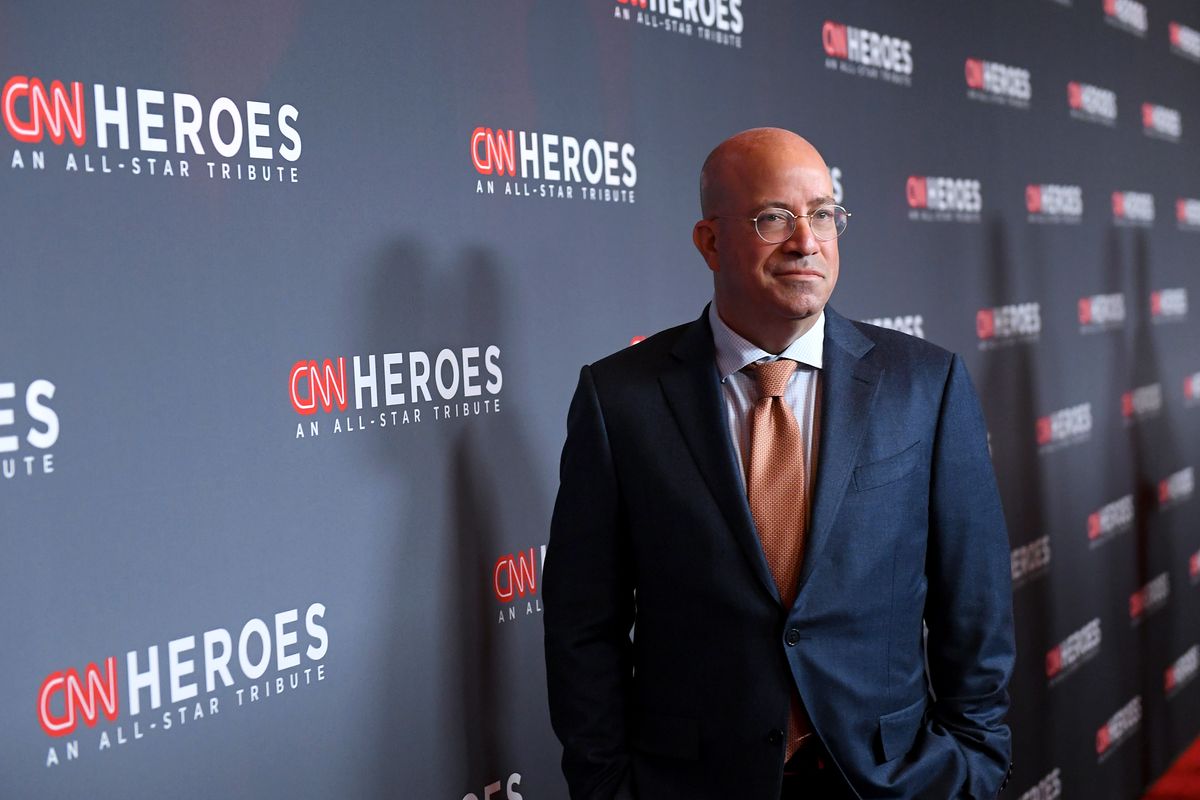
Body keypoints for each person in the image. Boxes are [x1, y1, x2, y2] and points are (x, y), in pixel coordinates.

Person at [543, 127, 1014, 799]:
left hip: (895, 781)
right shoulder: (619, 399)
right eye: (773, 218)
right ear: (709, 242)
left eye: (823, 214)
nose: (806, 242)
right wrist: (607, 786)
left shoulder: (926, 384)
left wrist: (974, 766)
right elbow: (582, 625)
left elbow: (976, 605)